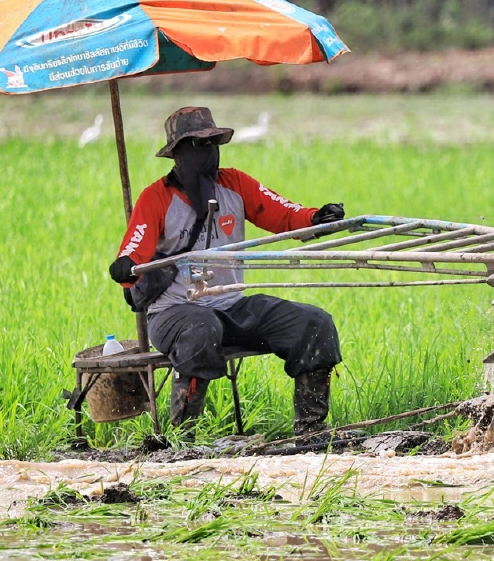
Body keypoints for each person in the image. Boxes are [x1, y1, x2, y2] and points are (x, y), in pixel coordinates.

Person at [109, 107, 346, 434]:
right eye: (198, 145)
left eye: (213, 143)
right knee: (200, 329)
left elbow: (284, 215)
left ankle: (311, 429)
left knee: (314, 323)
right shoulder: (156, 198)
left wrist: (315, 219)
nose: (208, 153)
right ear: (178, 154)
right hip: (174, 315)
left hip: (231, 307)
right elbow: (134, 250)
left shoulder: (235, 184)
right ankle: (183, 438)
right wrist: (125, 267)